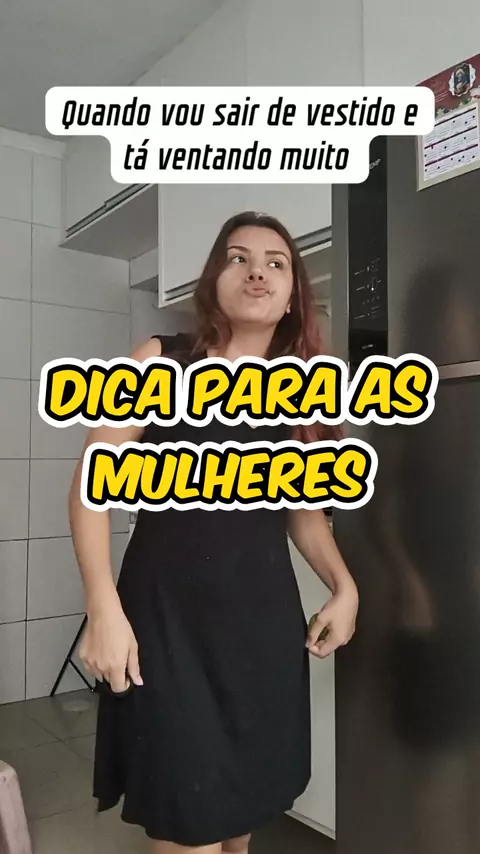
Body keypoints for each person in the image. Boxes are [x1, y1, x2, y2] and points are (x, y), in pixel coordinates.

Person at [68, 210, 358, 854]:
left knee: (238, 814)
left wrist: (345, 587)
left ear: (292, 297)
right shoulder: (160, 361)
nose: (257, 272)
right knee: (188, 821)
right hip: (166, 627)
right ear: (212, 280)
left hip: (260, 633)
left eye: (276, 264)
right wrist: (103, 608)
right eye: (238, 258)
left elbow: (303, 512)